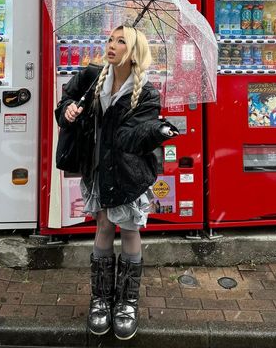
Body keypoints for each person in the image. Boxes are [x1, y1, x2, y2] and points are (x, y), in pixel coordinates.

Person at [55, 25, 179, 340]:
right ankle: (100, 299)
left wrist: (157, 131)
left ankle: (127, 302)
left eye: (121, 41)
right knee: (104, 226)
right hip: (97, 168)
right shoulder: (92, 77)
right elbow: (65, 101)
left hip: (127, 171)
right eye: (111, 39)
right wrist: (67, 110)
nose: (112, 44)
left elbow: (131, 137)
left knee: (130, 230)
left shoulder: (146, 93)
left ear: (134, 52)